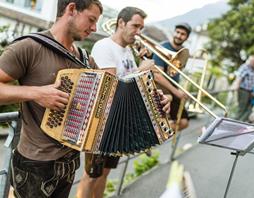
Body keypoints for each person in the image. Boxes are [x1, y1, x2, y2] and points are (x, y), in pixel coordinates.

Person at [0, 0, 103, 197]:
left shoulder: (85, 60)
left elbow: (110, 94)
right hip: (34, 165)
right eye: (91, 20)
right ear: (71, 9)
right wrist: (36, 93)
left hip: (70, 162)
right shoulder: (29, 46)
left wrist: (150, 97)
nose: (94, 28)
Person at [76, 7, 171, 198]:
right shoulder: (104, 46)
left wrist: (159, 96)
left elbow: (133, 87)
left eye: (141, 27)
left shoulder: (128, 51)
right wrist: (142, 70)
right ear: (121, 23)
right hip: (102, 121)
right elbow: (108, 87)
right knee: (91, 175)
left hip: (118, 122)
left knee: (105, 173)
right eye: (135, 26)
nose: (138, 32)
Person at [152, 22, 192, 131]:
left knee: (183, 121)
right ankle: (155, 133)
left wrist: (181, 90)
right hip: (161, 88)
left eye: (182, 34)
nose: (179, 36)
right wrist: (176, 92)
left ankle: (158, 132)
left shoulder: (184, 53)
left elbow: (175, 73)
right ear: (174, 32)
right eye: (177, 32)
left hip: (173, 88)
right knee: (160, 119)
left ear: (187, 37)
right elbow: (157, 75)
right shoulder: (163, 47)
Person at [234, 55, 254, 122]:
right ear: (250, 60)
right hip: (243, 90)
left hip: (250, 91)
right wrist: (236, 86)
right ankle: (235, 122)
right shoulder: (245, 67)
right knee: (241, 108)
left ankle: (239, 121)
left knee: (247, 108)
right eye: (253, 61)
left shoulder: (252, 69)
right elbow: (239, 77)